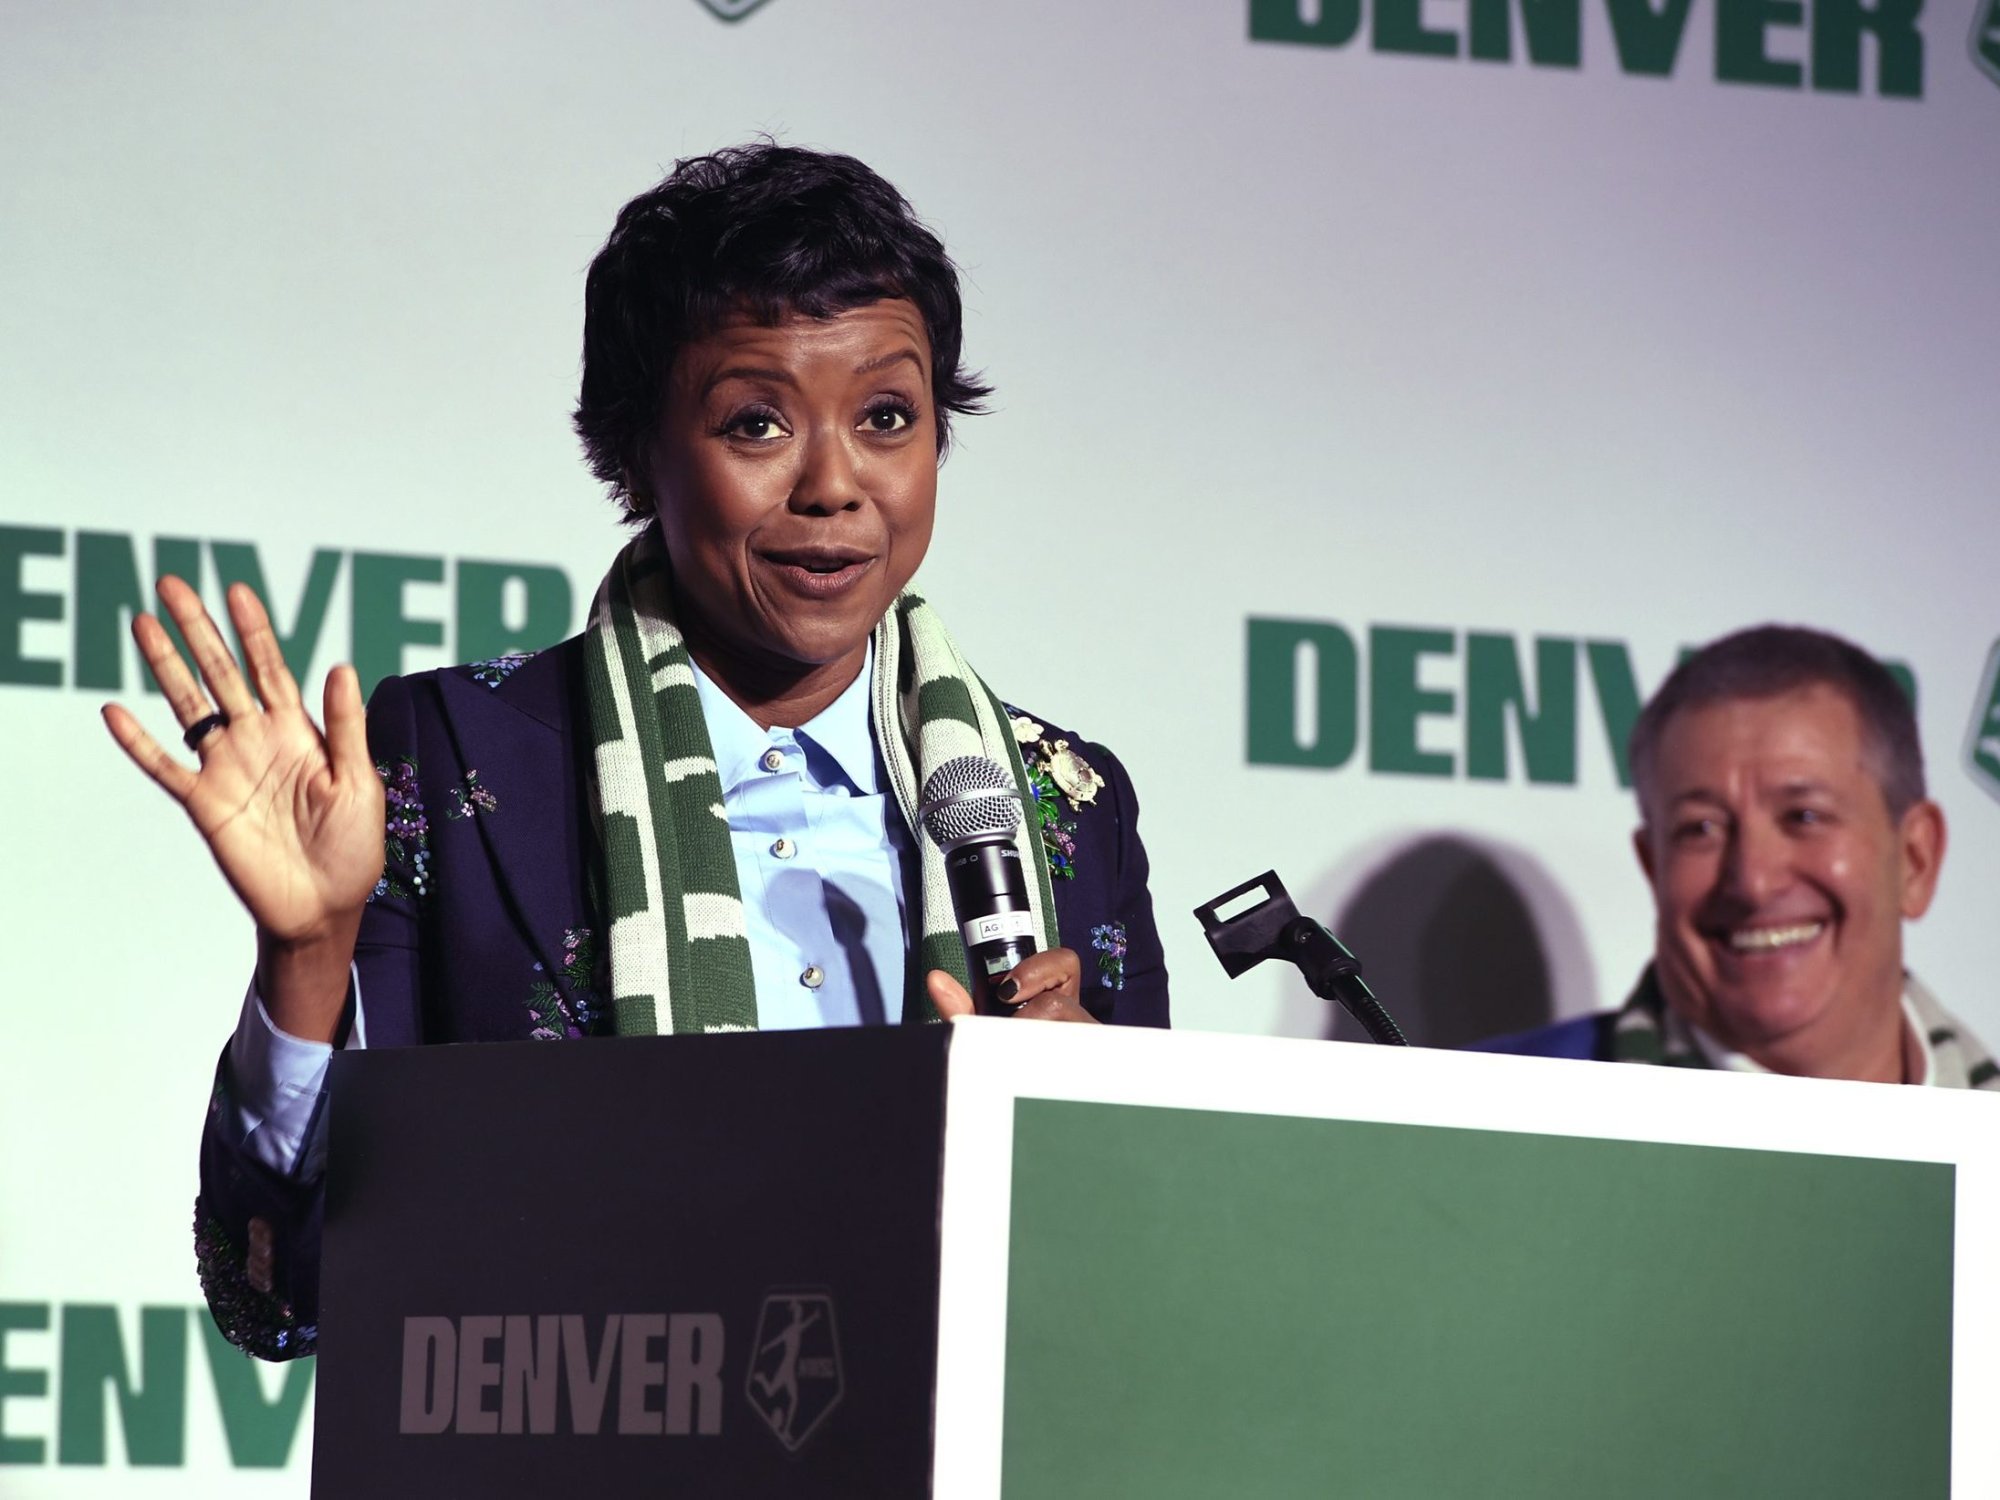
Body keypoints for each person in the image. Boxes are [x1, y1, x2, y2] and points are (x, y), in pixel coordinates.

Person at [102, 143, 1171, 1362]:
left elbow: (1132, 1322)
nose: (836, 485)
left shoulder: (1059, 809)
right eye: (756, 422)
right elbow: (283, 1299)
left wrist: (1113, 1140)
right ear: (632, 455)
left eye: (887, 416)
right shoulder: (454, 764)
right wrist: (306, 956)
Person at [1479, 624, 1995, 1089]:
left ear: (1915, 860)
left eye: (1804, 817)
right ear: (1653, 867)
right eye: (1701, 829)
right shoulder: (1485, 1121)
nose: (1752, 881)